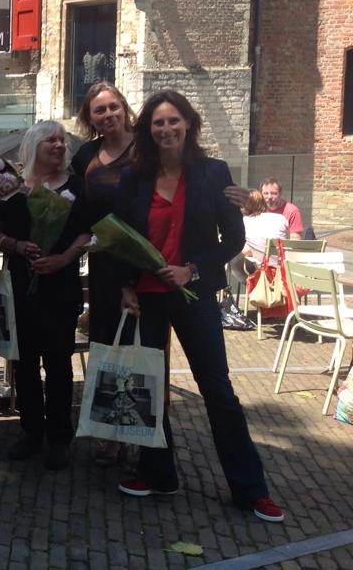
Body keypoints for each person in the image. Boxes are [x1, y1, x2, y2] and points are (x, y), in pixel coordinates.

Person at [115, 89, 284, 523]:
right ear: (147, 131)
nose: (167, 129)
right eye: (158, 123)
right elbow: (122, 238)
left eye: (174, 121)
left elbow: (232, 239)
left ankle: (251, 489)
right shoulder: (135, 177)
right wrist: (127, 286)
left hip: (193, 296)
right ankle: (158, 473)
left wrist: (191, 268)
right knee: (151, 390)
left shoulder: (212, 173)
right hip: (148, 298)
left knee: (219, 391)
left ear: (189, 124)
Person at [0, 121, 91, 470]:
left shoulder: (76, 186)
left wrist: (63, 258)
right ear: (33, 146)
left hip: (61, 289)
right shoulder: (14, 188)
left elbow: (89, 233)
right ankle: (31, 431)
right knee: (25, 365)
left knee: (59, 365)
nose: (60, 145)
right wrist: (15, 245)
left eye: (63, 140)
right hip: (21, 289)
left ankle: (60, 436)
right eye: (52, 140)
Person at [71, 82, 136, 466]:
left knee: (137, 348)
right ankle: (108, 431)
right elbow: (78, 208)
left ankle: (139, 428)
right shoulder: (86, 155)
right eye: (99, 110)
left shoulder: (145, 149)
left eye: (113, 107)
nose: (108, 115)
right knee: (104, 347)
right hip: (103, 265)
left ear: (124, 108)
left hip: (140, 263)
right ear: (89, 118)